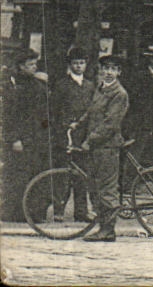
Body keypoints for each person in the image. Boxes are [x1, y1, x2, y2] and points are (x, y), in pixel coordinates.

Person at [69, 52, 130, 242]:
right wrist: (78, 124)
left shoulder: (119, 94)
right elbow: (91, 111)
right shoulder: (101, 88)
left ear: (119, 72)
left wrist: (90, 140)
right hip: (97, 147)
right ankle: (102, 225)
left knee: (107, 188)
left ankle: (108, 230)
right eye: (105, 68)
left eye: (113, 69)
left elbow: (110, 124)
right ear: (101, 71)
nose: (109, 72)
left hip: (108, 147)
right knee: (95, 186)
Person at [3, 48, 50, 222]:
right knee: (17, 175)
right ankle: (14, 213)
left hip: (37, 137)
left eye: (35, 64)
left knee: (36, 174)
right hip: (22, 139)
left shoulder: (38, 84)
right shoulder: (15, 87)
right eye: (30, 64)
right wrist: (14, 139)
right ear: (21, 66)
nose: (34, 67)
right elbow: (10, 116)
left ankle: (34, 213)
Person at [50, 45, 95, 224]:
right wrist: (62, 129)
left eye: (82, 63)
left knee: (82, 175)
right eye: (75, 63)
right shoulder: (62, 85)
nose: (79, 66)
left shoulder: (90, 85)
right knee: (63, 175)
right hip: (66, 135)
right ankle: (59, 210)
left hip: (83, 137)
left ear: (86, 65)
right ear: (70, 65)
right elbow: (54, 111)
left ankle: (81, 211)